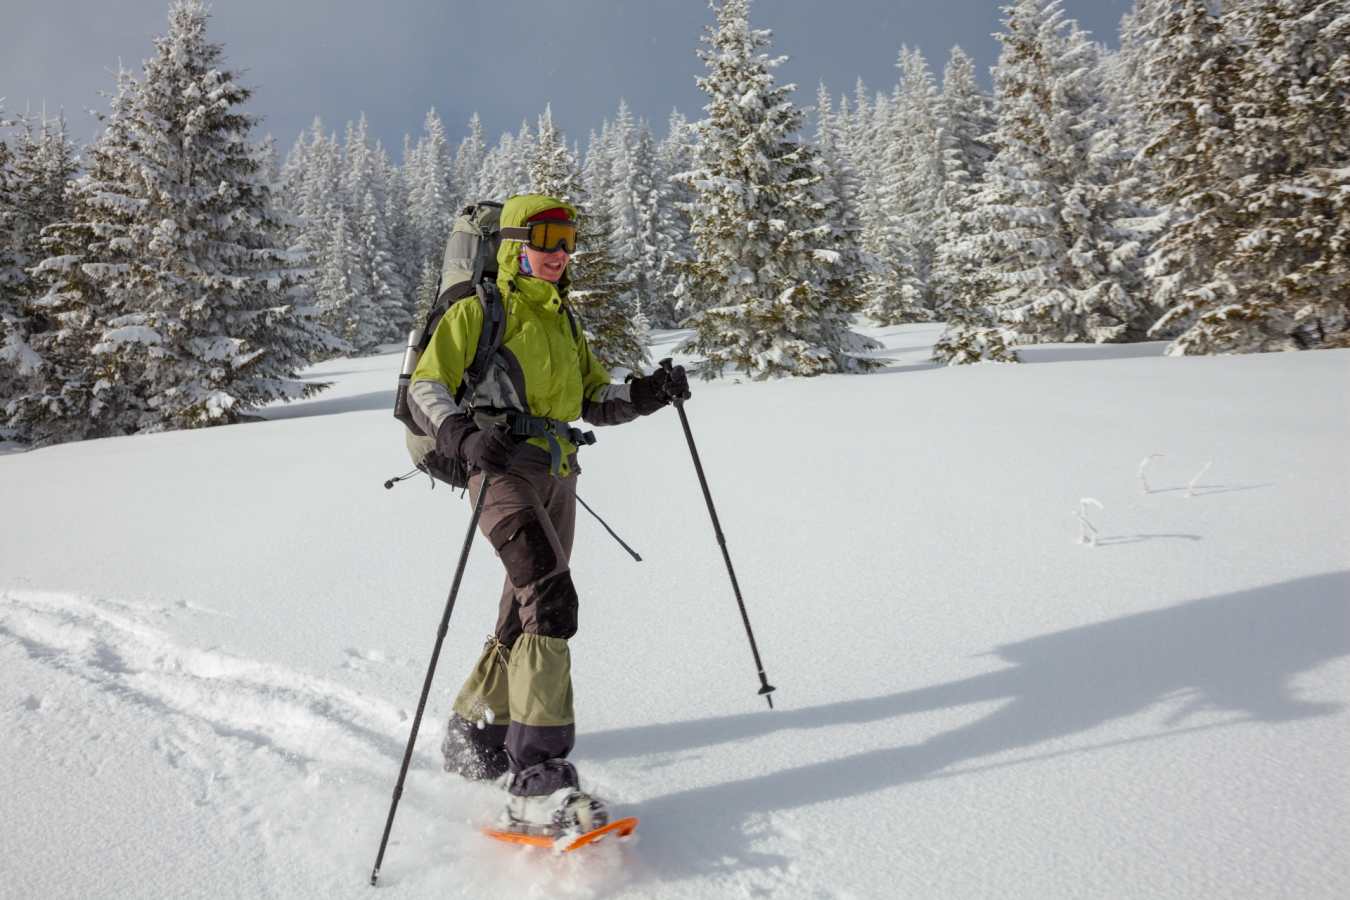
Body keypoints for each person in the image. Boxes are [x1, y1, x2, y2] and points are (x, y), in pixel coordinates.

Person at [406, 193, 689, 834]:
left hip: (558, 471)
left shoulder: (563, 318)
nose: (560, 252)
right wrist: (463, 435)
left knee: (523, 607)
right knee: (550, 595)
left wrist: (647, 393)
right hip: (498, 469)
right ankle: (536, 778)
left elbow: (594, 398)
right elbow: (427, 385)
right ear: (513, 244)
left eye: (568, 237)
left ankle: (476, 734)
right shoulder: (480, 310)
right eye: (546, 237)